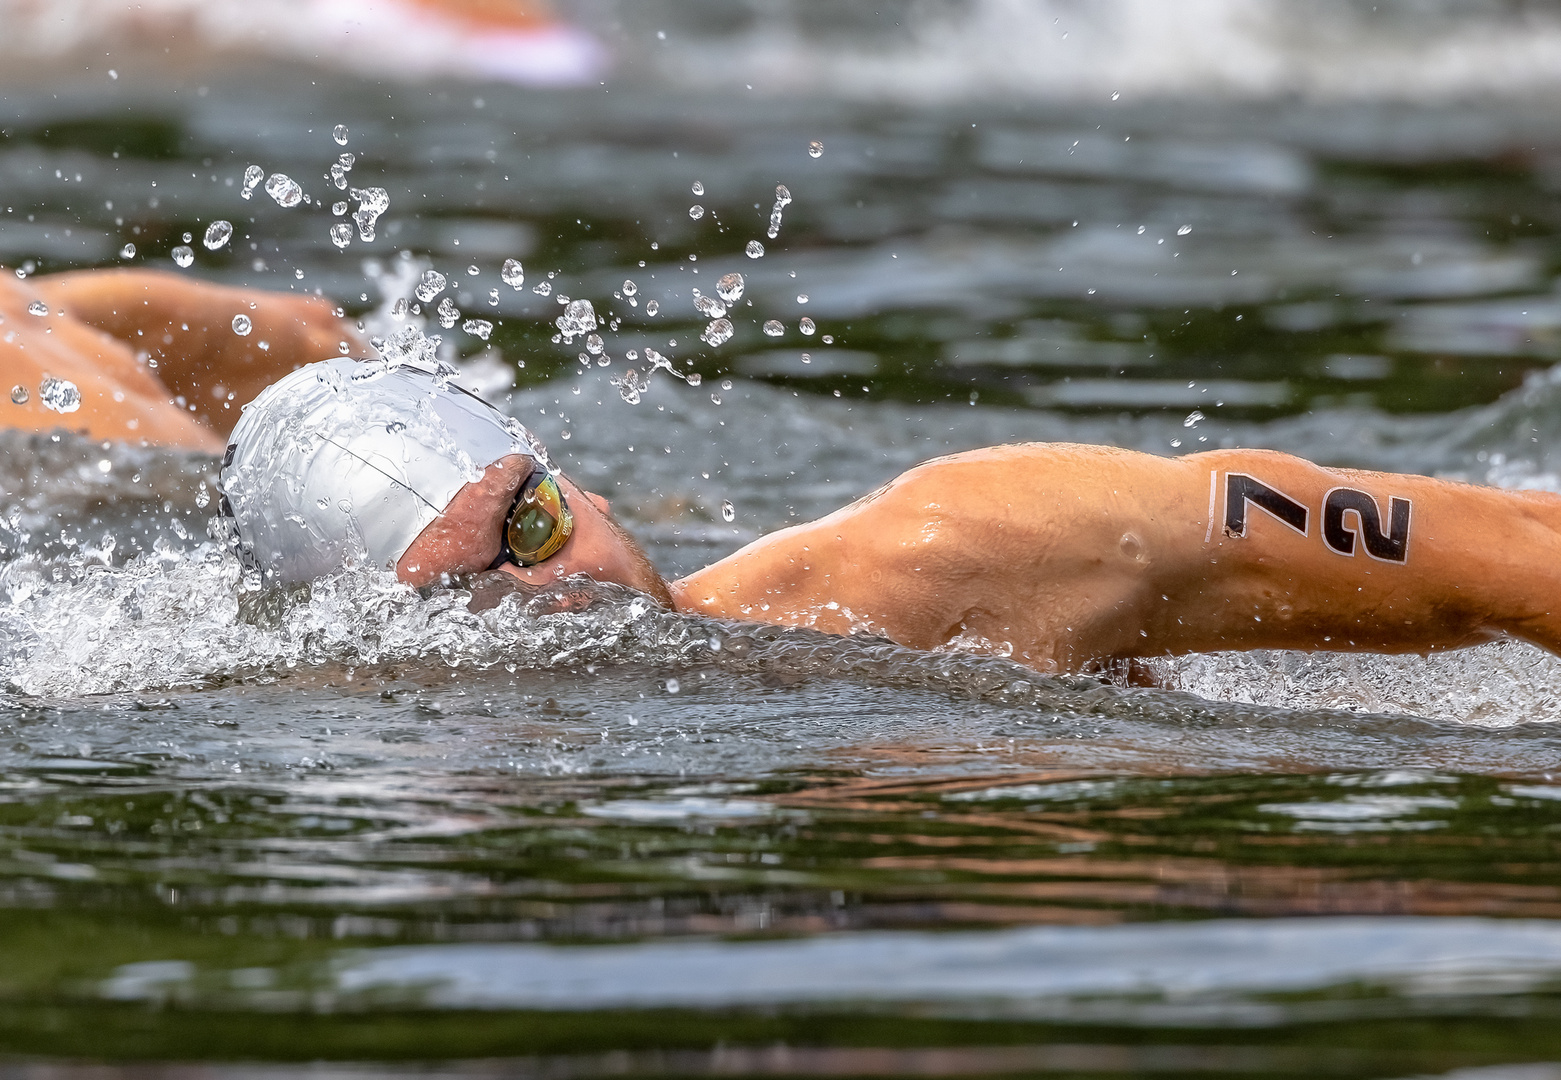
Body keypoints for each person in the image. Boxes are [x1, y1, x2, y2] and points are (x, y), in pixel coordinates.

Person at [5, 269, 1561, 675]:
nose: (558, 590)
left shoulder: (965, 544)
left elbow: (1496, 550)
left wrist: (272, 336)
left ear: (576, 484)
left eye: (536, 521)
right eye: (475, 590)